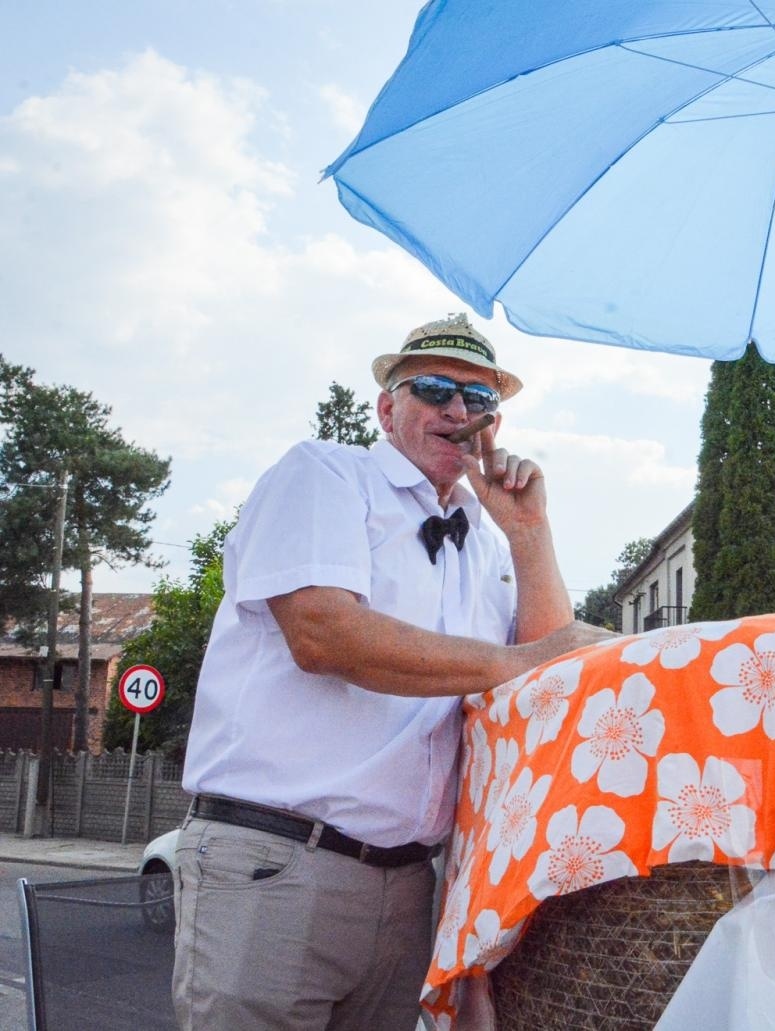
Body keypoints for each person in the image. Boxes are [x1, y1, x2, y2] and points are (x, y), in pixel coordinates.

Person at [174, 315, 609, 1030]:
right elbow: (324, 632)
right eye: (435, 388)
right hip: (279, 860)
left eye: (480, 400)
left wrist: (529, 534)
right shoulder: (324, 473)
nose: (459, 411)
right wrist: (511, 661)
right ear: (387, 408)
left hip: (410, 883)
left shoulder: (485, 535)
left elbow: (548, 668)